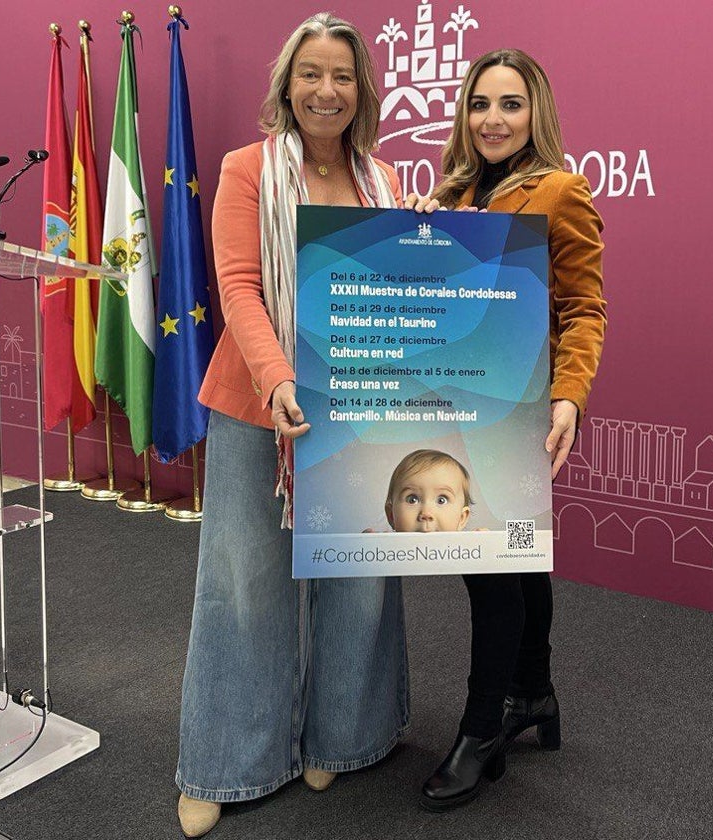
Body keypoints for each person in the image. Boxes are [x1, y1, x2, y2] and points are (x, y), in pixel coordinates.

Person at [175, 13, 406, 838]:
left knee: (360, 578)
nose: (326, 90)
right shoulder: (247, 170)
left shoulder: (387, 185)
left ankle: (346, 737)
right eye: (311, 73)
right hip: (254, 405)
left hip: (360, 411)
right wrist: (277, 381)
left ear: (362, 90)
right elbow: (237, 285)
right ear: (286, 85)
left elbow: (406, 299)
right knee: (245, 584)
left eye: (342, 76)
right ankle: (227, 762)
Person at [406, 48, 606, 811]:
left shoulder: (561, 190)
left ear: (536, 113)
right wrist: (414, 231)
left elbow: (586, 309)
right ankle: (535, 691)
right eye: (481, 103)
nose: (493, 118)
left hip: (517, 406)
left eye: (511, 104)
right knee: (518, 556)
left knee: (490, 564)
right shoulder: (450, 189)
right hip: (451, 400)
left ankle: (483, 727)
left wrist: (570, 398)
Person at [385, 449, 473, 533]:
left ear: (461, 518)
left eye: (441, 500)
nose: (426, 513)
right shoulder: (383, 547)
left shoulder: (470, 547)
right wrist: (374, 543)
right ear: (391, 515)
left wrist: (483, 543)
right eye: (412, 500)